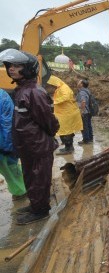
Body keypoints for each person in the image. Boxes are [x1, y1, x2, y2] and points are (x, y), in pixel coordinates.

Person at [0, 48, 60, 225]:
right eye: (10, 65)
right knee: (30, 178)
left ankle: (41, 211)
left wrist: (47, 137)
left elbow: (49, 122)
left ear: (28, 69)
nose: (11, 69)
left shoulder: (34, 92)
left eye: (17, 66)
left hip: (38, 146)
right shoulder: (21, 90)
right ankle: (35, 205)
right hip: (27, 147)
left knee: (39, 179)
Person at [45, 76, 83, 155]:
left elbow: (65, 97)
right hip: (64, 113)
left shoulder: (64, 88)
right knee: (65, 131)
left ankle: (69, 148)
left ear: (55, 84)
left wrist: (54, 101)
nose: (51, 88)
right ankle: (68, 147)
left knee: (65, 132)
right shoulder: (59, 88)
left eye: (51, 86)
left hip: (67, 113)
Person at [0, 88, 27, 201]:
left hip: (2, 143)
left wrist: (8, 144)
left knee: (10, 167)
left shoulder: (2, 96)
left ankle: (20, 192)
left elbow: (7, 122)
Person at [76, 79, 94, 144]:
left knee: (84, 126)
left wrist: (82, 111)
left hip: (85, 111)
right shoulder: (87, 91)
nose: (77, 83)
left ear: (82, 84)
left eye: (79, 82)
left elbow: (83, 102)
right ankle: (90, 139)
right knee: (89, 125)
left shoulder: (82, 92)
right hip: (89, 110)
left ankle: (86, 140)